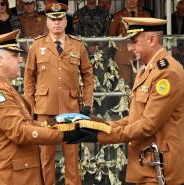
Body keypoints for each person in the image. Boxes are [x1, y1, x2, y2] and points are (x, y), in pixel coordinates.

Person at [67, 17, 184, 185]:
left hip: (159, 168)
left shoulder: (166, 73)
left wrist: (98, 136)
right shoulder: (148, 70)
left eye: (135, 42)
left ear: (152, 40)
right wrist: (99, 127)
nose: (131, 47)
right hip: (148, 163)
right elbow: (135, 118)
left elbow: (147, 125)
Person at [0, 30, 80, 185]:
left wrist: (60, 126)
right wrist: (65, 135)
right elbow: (20, 131)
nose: (20, 60)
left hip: (16, 175)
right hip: (7, 177)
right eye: (14, 56)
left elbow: (27, 124)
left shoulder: (4, 87)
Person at [24, 3, 94, 185]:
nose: (56, 23)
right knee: (46, 157)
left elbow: (88, 75)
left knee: (72, 158)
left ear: (65, 21)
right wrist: (29, 109)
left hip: (70, 109)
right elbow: (29, 78)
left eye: (60, 19)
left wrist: (87, 103)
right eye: (53, 19)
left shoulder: (78, 46)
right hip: (45, 109)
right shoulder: (37, 45)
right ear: (47, 22)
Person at [109, 0, 151, 87]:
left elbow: (150, 36)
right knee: (124, 87)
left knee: (141, 85)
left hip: (141, 57)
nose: (131, 1)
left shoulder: (146, 16)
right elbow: (111, 37)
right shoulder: (117, 16)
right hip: (123, 58)